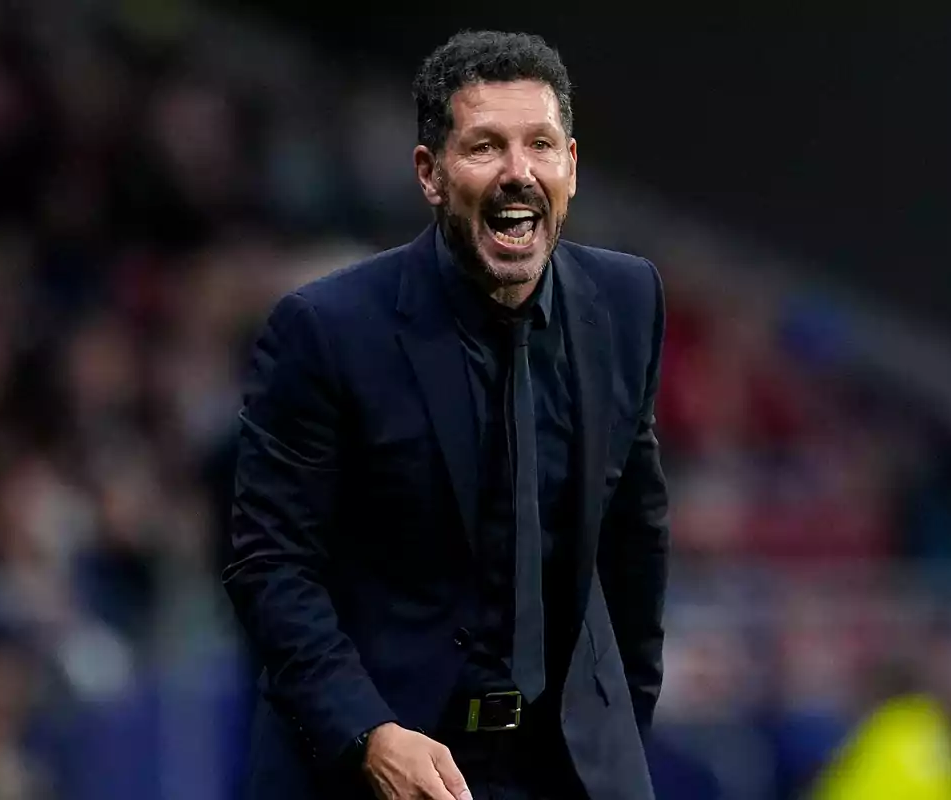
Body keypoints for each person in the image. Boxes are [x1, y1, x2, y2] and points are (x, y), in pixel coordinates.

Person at [223, 30, 670, 800]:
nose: (517, 173)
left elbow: (636, 535)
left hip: (567, 767)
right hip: (385, 764)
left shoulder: (627, 303)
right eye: (485, 147)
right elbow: (271, 565)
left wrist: (619, 725)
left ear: (572, 164)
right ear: (430, 174)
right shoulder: (328, 330)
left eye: (539, 145)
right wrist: (367, 733)